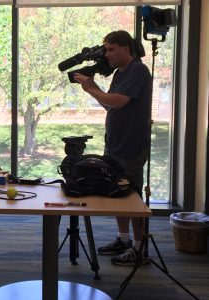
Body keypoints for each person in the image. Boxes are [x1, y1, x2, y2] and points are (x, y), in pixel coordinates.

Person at [74, 30, 152, 266]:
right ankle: (124, 239)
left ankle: (139, 250)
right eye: (106, 49)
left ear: (125, 49)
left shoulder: (138, 70)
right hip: (115, 143)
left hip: (130, 145)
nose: (106, 54)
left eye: (111, 49)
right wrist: (95, 87)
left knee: (133, 198)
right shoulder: (120, 73)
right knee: (118, 193)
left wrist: (91, 89)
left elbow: (118, 101)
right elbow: (110, 104)